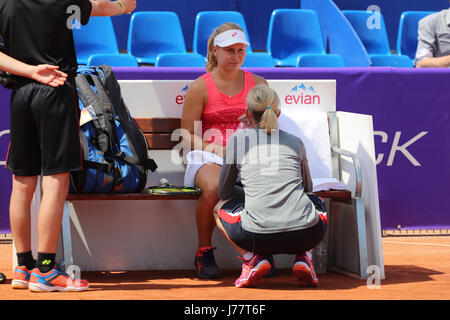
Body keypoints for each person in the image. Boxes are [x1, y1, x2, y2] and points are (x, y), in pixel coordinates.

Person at [0, 0, 136, 292]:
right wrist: (124, 6)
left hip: (22, 94)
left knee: (22, 184)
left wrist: (30, 71)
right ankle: (46, 271)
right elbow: (101, 7)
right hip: (56, 91)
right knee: (55, 182)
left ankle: (23, 267)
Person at [213, 85, 328, 288]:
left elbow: (224, 191)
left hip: (255, 237)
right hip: (307, 234)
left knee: (217, 208)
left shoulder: (238, 140)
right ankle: (304, 257)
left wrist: (251, 193)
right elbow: (307, 187)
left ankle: (252, 260)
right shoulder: (295, 141)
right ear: (279, 113)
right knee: (316, 201)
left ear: (247, 113)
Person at [180, 22, 269, 279]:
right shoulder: (199, 86)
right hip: (209, 156)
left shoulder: (259, 83)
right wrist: (215, 148)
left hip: (249, 156)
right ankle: (204, 251)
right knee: (213, 189)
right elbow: (186, 135)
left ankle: (261, 250)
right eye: (230, 50)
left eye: (241, 50)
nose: (236, 56)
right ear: (215, 52)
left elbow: (269, 126)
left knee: (270, 183)